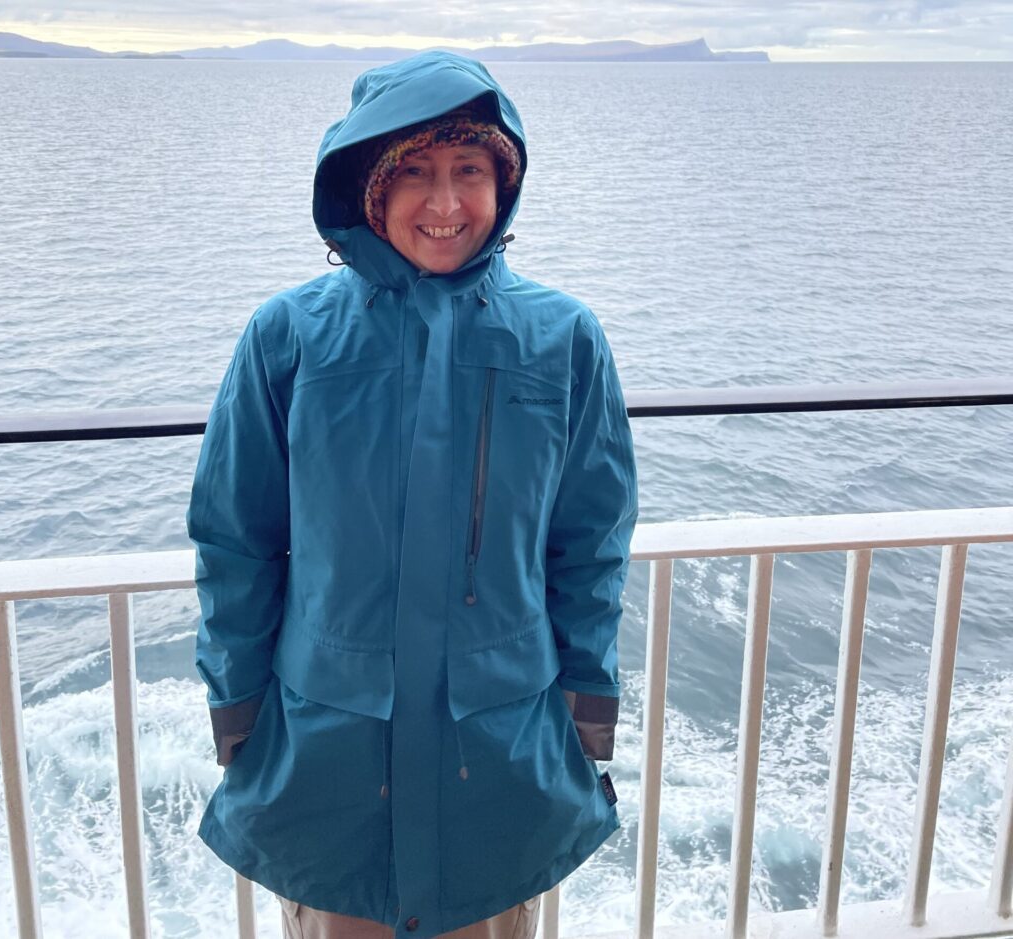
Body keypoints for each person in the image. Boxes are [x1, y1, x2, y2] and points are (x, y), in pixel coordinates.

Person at [187, 50, 638, 939]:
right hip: (330, 749)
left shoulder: (562, 338)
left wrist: (587, 711)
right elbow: (236, 539)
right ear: (369, 186)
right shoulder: (289, 336)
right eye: (416, 174)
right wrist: (238, 713)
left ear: (501, 184)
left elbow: (589, 543)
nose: (445, 205)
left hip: (501, 748)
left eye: (469, 170)